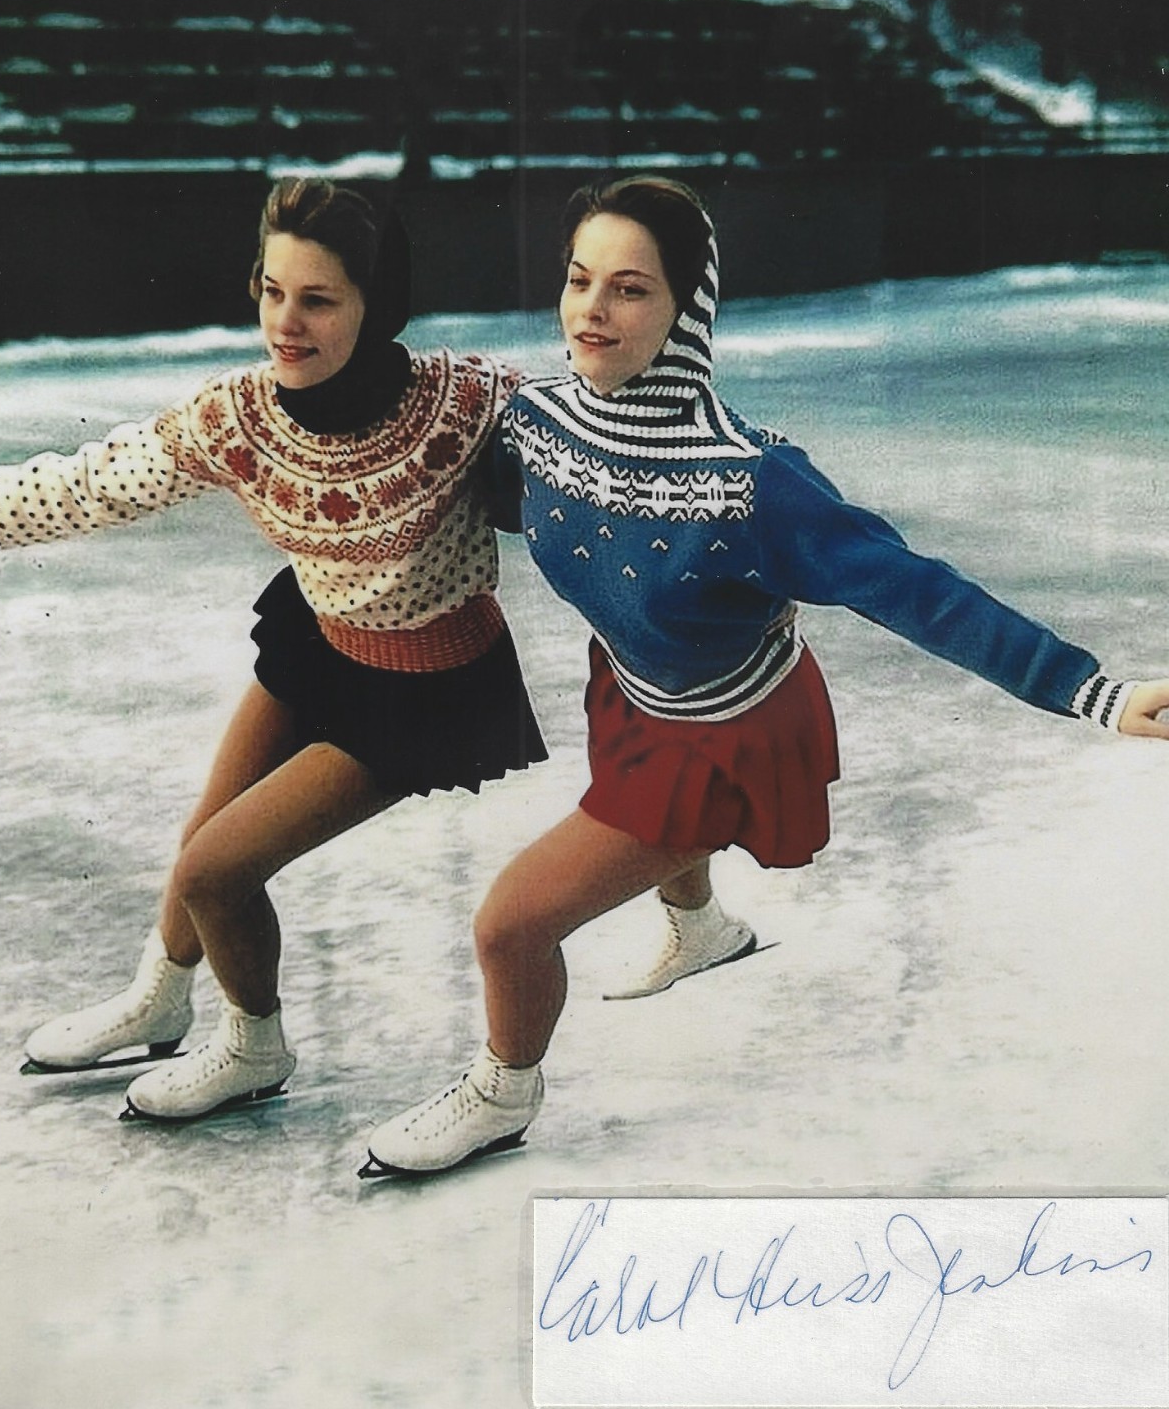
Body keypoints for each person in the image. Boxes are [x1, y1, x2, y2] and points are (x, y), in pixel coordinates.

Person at [360, 174, 1169, 1177]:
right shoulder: (538, 421)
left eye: (629, 289)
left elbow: (921, 595)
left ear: (686, 311)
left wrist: (1093, 691)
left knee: (509, 924)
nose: (591, 312)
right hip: (631, 687)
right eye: (578, 281)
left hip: (726, 741)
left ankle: (500, 1092)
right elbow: (505, 500)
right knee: (619, 800)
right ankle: (699, 927)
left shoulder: (753, 482)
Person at [0, 175, 546, 1123]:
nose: (286, 323)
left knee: (214, 872)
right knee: (206, 827)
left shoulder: (468, 404)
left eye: (318, 300)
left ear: (376, 305)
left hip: (426, 691)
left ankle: (253, 1045)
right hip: (321, 644)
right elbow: (83, 486)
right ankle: (160, 1000)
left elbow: (602, 453)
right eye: (273, 292)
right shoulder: (240, 419)